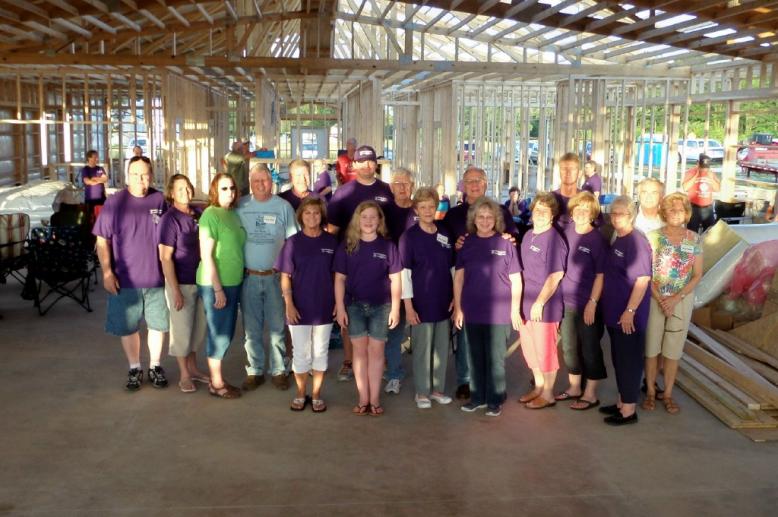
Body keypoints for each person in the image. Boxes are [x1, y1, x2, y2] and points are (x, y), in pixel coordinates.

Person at [93, 156, 169, 391]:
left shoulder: (159, 200)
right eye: (135, 174)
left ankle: (155, 366)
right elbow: (102, 241)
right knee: (128, 327)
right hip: (125, 280)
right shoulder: (115, 202)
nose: (140, 179)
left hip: (156, 278)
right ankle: (134, 367)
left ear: (151, 175)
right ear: (127, 176)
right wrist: (107, 273)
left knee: (157, 326)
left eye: (145, 174)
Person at [443, 165, 517, 400]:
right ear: (463, 186)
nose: (474, 185)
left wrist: (509, 237)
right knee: (466, 334)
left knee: (493, 338)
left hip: (496, 284)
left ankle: (491, 384)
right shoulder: (453, 215)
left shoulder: (501, 211)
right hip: (464, 279)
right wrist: (454, 246)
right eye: (469, 181)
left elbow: (513, 239)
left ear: (486, 184)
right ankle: (465, 380)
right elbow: (444, 246)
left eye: (479, 180)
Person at [327, 145, 394, 381]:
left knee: (380, 312)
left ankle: (380, 360)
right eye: (361, 161)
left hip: (380, 262)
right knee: (350, 313)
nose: (366, 165)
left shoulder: (387, 191)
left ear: (376, 164)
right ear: (353, 164)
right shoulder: (343, 193)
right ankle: (349, 360)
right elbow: (332, 230)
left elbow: (394, 225)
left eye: (370, 161)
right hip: (350, 262)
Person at [453, 197, 522, 417]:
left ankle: (495, 399)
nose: (484, 221)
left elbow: (516, 280)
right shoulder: (467, 243)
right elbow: (459, 279)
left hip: (499, 312)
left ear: (496, 219)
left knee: (495, 359)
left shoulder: (505, 244)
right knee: (475, 358)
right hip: (472, 310)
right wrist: (458, 308)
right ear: (474, 219)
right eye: (480, 217)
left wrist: (514, 310)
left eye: (489, 217)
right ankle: (477, 398)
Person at [334, 201, 402, 416]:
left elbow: (396, 279)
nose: (369, 221)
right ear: (357, 220)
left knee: (377, 352)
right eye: (364, 217)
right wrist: (340, 308)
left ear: (380, 221)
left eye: (374, 217)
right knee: (359, 352)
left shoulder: (388, 247)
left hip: (381, 307)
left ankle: (374, 399)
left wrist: (396, 308)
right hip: (354, 306)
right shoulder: (347, 245)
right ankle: (363, 398)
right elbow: (339, 279)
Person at [237, 164, 298, 391]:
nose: (261, 184)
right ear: (250, 183)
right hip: (249, 277)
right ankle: (254, 371)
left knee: (277, 327)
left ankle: (278, 370)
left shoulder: (283, 207)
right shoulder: (240, 205)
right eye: (256, 181)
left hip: (275, 277)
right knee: (251, 329)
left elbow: (293, 242)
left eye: (265, 180)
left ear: (271, 182)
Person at [275, 197, 337, 412]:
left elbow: (338, 276)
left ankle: (317, 394)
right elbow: (285, 276)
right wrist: (289, 304)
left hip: (324, 306)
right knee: (301, 353)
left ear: (322, 216)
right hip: (298, 307)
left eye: (316, 213)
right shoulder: (292, 243)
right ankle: (301, 393)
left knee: (320, 352)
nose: (312, 216)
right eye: (307, 212)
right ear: (301, 216)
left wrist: (338, 303)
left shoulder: (331, 242)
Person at [643, 193, 703, 415]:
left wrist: (676, 299)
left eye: (681, 209)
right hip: (655, 299)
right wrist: (661, 299)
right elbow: (645, 272)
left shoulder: (694, 239)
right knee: (652, 348)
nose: (676, 213)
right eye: (671, 209)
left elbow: (697, 274)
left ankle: (667, 393)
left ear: (687, 213)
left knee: (673, 351)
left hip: (681, 301)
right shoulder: (652, 237)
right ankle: (650, 391)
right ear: (663, 212)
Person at [599, 196, 652, 426]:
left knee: (629, 359)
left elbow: (642, 279)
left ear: (631, 215)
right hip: (615, 312)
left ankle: (629, 410)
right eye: (613, 213)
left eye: (621, 213)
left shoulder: (636, 241)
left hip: (628, 315)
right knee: (619, 358)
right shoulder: (618, 237)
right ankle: (622, 401)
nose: (616, 217)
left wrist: (630, 310)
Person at [400, 187, 454, 409]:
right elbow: (404, 274)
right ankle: (422, 392)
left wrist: (455, 297)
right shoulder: (409, 237)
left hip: (444, 300)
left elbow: (452, 267)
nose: (428, 210)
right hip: (421, 302)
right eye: (423, 207)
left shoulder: (445, 232)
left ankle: (437, 389)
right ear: (416, 210)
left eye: (431, 206)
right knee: (422, 349)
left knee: (441, 348)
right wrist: (408, 306)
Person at [158, 174, 210, 393]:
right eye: (179, 189)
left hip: (201, 282)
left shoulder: (198, 213)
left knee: (197, 330)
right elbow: (165, 257)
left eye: (187, 187)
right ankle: (184, 375)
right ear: (171, 193)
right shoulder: (169, 219)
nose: (185, 192)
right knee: (182, 331)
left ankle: (194, 369)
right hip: (181, 283)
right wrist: (175, 290)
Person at [557, 192, 609, 410]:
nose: (580, 213)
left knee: (589, 348)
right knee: (569, 347)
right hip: (566, 302)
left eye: (586, 210)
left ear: (593, 214)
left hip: (588, 304)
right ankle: (575, 387)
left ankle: (590, 394)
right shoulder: (566, 232)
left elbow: (601, 275)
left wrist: (592, 303)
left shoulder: (597, 240)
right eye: (577, 209)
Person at [197, 173, 245, 399]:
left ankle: (216, 379)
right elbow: (206, 256)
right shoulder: (210, 215)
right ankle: (216, 383)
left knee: (227, 331)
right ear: (215, 190)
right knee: (219, 333)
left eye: (232, 188)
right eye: (224, 188)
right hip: (216, 283)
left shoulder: (233, 214)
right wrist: (217, 289)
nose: (229, 192)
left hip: (234, 281)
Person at [516, 193, 566, 410]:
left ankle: (548, 394)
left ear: (552, 215)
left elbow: (556, 275)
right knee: (530, 350)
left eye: (546, 211)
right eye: (537, 210)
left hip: (544, 307)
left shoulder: (554, 240)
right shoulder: (528, 235)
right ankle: (538, 386)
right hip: (525, 304)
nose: (541, 214)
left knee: (545, 351)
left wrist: (540, 302)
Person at [382, 168, 417, 395]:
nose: (402, 187)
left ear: (412, 186)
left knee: (423, 330)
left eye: (406, 183)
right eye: (397, 183)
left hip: (419, 280)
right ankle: (394, 374)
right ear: (391, 187)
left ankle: (427, 377)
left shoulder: (420, 209)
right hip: (392, 279)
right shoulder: (383, 212)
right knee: (393, 330)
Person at [683, 153, 721, 233]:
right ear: (698, 164)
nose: (704, 170)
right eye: (702, 167)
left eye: (706, 168)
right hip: (694, 208)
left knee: (710, 233)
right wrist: (696, 175)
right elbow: (685, 187)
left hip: (708, 208)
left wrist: (712, 179)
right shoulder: (691, 172)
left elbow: (717, 189)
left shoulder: (711, 173)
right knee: (692, 234)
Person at [552, 152, 583, 227]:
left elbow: (595, 229)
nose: (568, 172)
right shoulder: (549, 199)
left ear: (579, 173)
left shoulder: (587, 200)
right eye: (564, 169)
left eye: (572, 169)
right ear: (559, 172)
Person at [81, 149, 107, 222]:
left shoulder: (100, 168)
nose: (97, 159)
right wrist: (99, 180)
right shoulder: (85, 169)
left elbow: (105, 179)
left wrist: (94, 179)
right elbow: (87, 181)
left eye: (97, 157)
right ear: (89, 158)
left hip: (101, 198)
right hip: (90, 199)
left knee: (102, 217)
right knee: (90, 219)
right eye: (95, 157)